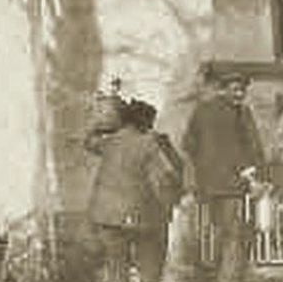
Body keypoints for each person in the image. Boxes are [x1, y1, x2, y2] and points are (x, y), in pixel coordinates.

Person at [88, 98, 185, 282]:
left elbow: (89, 142)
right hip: (140, 217)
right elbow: (162, 180)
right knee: (150, 270)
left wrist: (103, 127)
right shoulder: (149, 143)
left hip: (108, 217)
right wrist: (171, 204)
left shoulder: (110, 141)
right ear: (147, 122)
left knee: (117, 270)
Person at [183, 71, 265, 282]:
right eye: (236, 90)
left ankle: (218, 275)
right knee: (234, 235)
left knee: (220, 231)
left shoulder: (201, 110)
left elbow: (188, 144)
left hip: (208, 185)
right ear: (224, 89)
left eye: (242, 90)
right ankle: (226, 278)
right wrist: (257, 175)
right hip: (233, 184)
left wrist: (203, 169)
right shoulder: (241, 113)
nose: (240, 94)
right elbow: (254, 148)